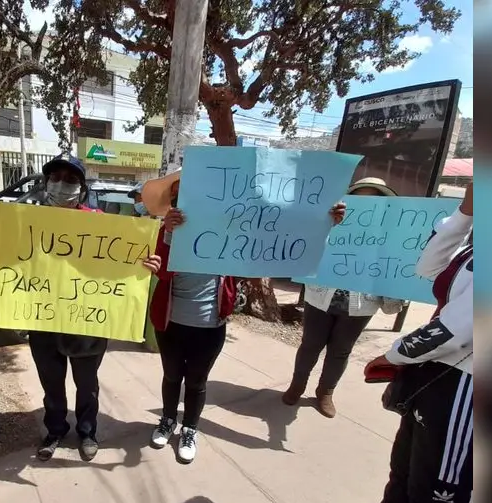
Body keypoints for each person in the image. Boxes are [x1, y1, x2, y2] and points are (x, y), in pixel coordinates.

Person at [144, 171, 345, 464]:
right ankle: (167, 420)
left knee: (197, 382)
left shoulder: (231, 230)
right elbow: (163, 273)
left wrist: (323, 223)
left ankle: (189, 428)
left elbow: (277, 239)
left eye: (191, 195)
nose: (184, 202)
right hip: (170, 324)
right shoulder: (165, 231)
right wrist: (169, 235)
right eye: (177, 197)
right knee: (172, 376)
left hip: (209, 327)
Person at [329, 185, 473, 503]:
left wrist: (395, 354)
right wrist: (464, 214)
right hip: (439, 370)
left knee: (440, 488)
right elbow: (428, 267)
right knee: (408, 459)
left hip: (469, 383)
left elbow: (456, 329)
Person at [0, 155, 158, 462]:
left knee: (87, 385)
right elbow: (8, 264)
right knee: (51, 384)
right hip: (44, 322)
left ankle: (87, 431)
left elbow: (121, 263)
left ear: (82, 189)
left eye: (71, 180)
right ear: (46, 183)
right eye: (55, 178)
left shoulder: (100, 223)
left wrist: (144, 264)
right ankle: (55, 430)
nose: (61, 185)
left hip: (87, 324)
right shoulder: (24, 222)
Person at [283, 177, 406, 418]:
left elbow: (394, 270)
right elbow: (305, 250)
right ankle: (297, 385)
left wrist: (396, 292)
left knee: (340, 351)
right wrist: (328, 226)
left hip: (361, 306)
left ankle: (325, 392)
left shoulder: (391, 237)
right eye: (359, 200)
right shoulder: (328, 225)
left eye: (374, 201)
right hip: (319, 298)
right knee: (310, 345)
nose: (366, 205)